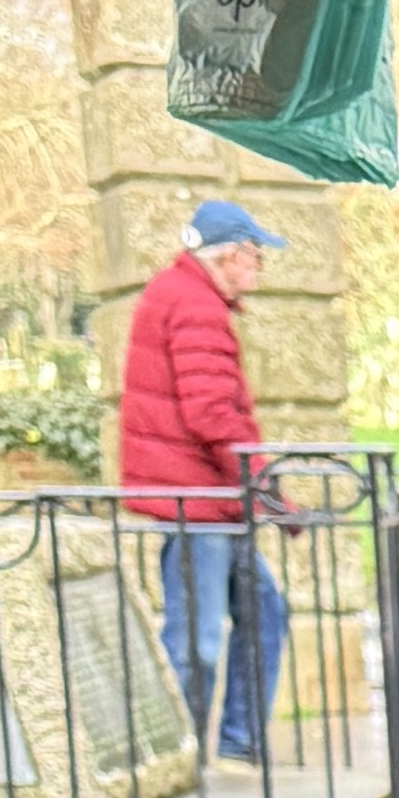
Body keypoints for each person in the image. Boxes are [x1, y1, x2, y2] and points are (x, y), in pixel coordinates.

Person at [117, 200, 286, 762]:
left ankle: (237, 741)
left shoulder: (185, 294)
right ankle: (177, 758)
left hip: (212, 498)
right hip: (199, 500)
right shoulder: (194, 305)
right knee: (196, 640)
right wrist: (264, 487)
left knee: (263, 612)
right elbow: (211, 413)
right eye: (256, 256)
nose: (258, 268)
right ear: (232, 254)